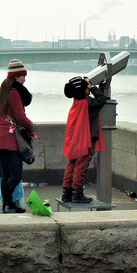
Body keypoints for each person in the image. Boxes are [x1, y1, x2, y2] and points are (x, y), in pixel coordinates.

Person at [0, 60, 34, 214]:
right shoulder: (14, 93)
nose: (24, 79)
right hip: (10, 141)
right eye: (22, 76)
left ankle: (9, 204)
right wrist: (32, 128)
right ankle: (8, 204)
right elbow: (20, 117)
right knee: (16, 174)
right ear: (17, 77)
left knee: (6, 174)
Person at [59, 76, 104, 204]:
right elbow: (102, 100)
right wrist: (94, 88)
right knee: (80, 167)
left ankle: (66, 193)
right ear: (82, 90)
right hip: (86, 140)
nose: (88, 90)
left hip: (75, 140)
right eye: (86, 88)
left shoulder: (76, 103)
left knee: (71, 165)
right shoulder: (88, 103)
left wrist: (88, 87)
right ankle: (77, 193)